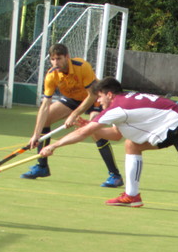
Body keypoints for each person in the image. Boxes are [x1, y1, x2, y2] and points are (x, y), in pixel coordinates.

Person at [39, 77, 178, 218]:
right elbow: (116, 134)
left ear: (109, 94)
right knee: (131, 144)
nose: (98, 102)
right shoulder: (126, 100)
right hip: (168, 129)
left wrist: (54, 145)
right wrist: (89, 126)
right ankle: (132, 195)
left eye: (100, 97)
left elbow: (83, 134)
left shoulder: (117, 107)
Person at [21, 43, 123, 187]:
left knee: (94, 130)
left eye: (59, 58)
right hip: (73, 99)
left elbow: (92, 95)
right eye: (53, 59)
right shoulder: (51, 75)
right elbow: (45, 105)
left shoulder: (82, 66)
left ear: (67, 57)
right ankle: (42, 166)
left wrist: (74, 114)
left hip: (94, 99)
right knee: (46, 118)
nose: (56, 63)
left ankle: (115, 175)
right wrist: (36, 134)